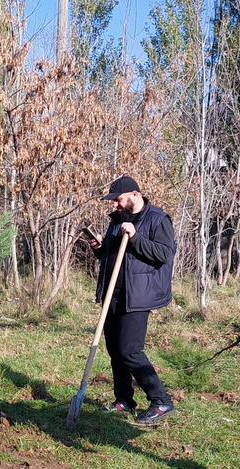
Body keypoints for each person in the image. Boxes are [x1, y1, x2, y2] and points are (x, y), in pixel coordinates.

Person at [85, 175, 177, 425]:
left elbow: (164, 255)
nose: (114, 204)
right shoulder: (117, 221)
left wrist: (135, 237)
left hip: (138, 296)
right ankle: (124, 400)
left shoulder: (158, 219)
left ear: (135, 194)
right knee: (115, 350)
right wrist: (99, 248)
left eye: (118, 199)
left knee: (130, 351)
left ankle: (161, 400)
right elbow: (112, 255)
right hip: (113, 294)